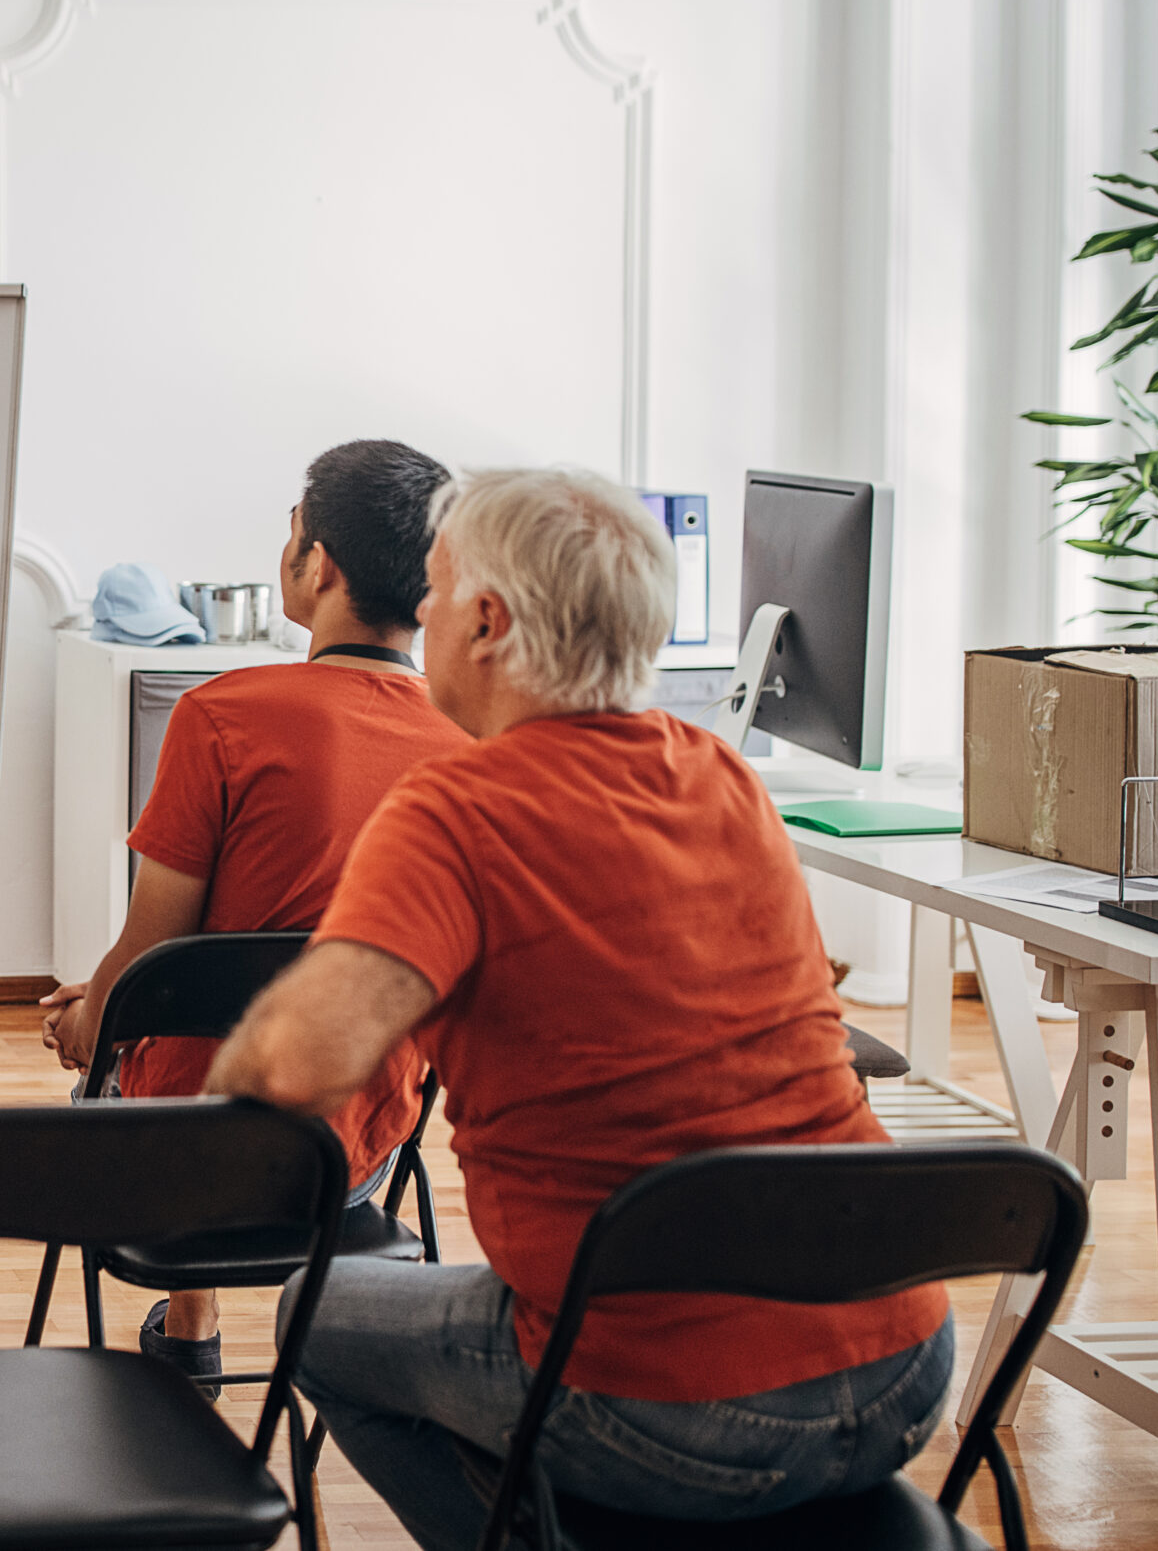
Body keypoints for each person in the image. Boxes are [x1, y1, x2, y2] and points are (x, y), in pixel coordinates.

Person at [206, 468, 953, 1550]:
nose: (417, 614)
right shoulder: (723, 777)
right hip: (901, 1366)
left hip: (668, 1405)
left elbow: (292, 1065)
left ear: (487, 620)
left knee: (311, 1318)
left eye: (434, 589)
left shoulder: (456, 810)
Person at [38, 439, 469, 1392]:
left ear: (317, 566)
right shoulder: (468, 748)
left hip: (186, 1149)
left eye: (293, 536)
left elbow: (156, 950)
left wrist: (91, 1016)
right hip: (351, 1157)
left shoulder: (220, 714)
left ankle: (191, 1327)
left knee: (124, 1047)